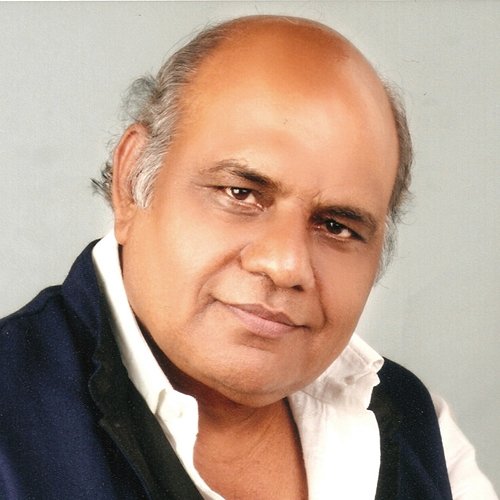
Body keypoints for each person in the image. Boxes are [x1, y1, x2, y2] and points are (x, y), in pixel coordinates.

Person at [0, 15, 496, 500]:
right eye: (240, 193)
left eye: (336, 226)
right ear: (132, 181)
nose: (285, 265)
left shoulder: (420, 432)